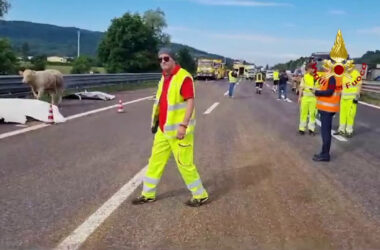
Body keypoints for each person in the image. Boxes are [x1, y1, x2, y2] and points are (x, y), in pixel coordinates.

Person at [132, 48, 209, 207]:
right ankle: (148, 194)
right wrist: (155, 123)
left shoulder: (183, 77)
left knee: (184, 164)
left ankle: (200, 195)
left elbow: (190, 102)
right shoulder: (164, 78)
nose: (162, 62)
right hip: (163, 130)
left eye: (166, 58)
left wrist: (183, 125)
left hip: (179, 132)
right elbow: (161, 102)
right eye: (160, 59)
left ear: (173, 59)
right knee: (154, 162)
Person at [310, 68, 342, 162]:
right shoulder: (332, 77)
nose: (324, 68)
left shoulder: (332, 77)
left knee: (325, 133)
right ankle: (324, 153)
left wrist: (316, 92)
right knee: (325, 132)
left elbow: (329, 92)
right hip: (327, 108)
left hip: (327, 109)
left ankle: (325, 155)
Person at [335, 69, 362, 137]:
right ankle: (341, 130)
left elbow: (359, 84)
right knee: (342, 115)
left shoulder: (356, 73)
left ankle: (349, 131)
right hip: (343, 98)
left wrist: (357, 97)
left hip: (352, 98)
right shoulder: (344, 74)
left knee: (350, 115)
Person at [298, 64, 317, 135]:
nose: (311, 70)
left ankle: (311, 129)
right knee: (303, 114)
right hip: (305, 98)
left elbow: (320, 88)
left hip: (313, 98)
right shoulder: (305, 77)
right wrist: (299, 97)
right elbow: (301, 87)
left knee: (313, 114)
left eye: (312, 69)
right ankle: (302, 128)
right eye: (310, 69)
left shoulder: (317, 78)